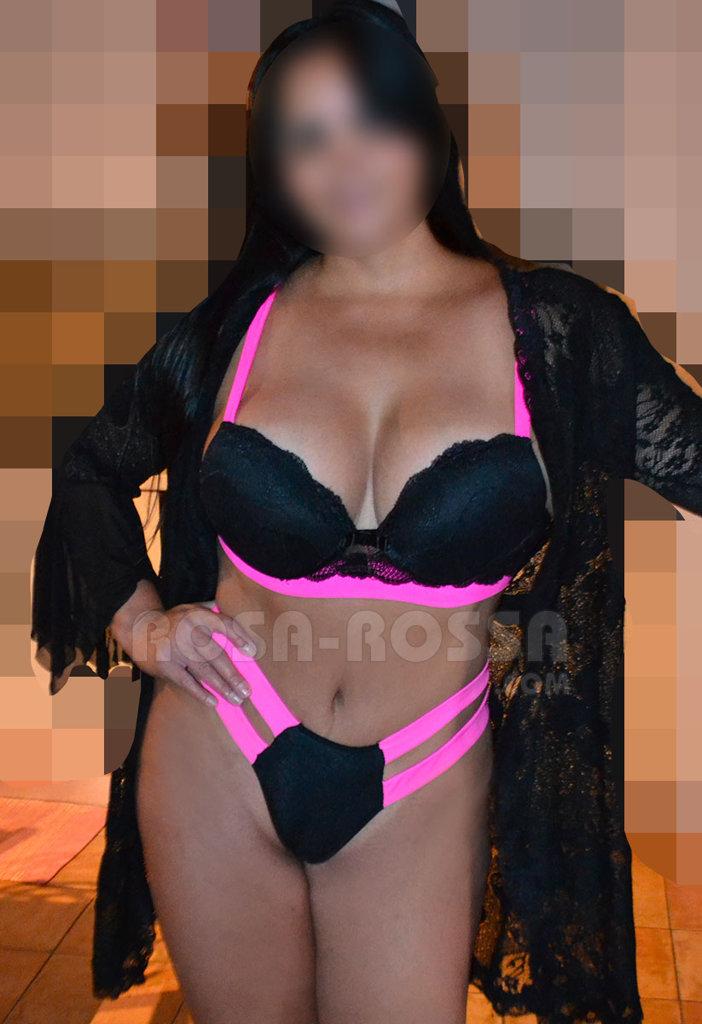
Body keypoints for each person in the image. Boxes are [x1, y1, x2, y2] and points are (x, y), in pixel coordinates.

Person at [30, 2, 702, 1022]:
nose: (343, 161)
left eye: (369, 121)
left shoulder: (562, 332)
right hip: (220, 747)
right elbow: (90, 469)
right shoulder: (236, 327)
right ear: (275, 168)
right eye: (307, 137)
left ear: (424, 123)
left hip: (423, 772)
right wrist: (143, 625)